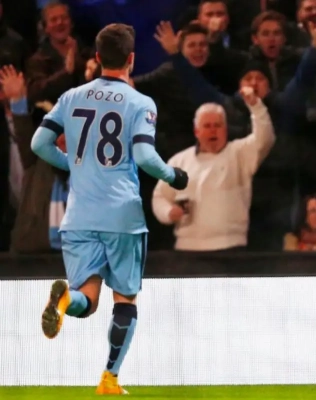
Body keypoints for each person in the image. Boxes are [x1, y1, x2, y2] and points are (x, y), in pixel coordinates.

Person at [30, 23, 188, 395]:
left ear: (98, 57)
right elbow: (145, 156)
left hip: (79, 216)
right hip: (121, 216)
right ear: (131, 59)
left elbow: (39, 144)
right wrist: (173, 175)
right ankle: (109, 379)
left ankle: (66, 300)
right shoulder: (140, 102)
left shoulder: (71, 96)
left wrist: (73, 164)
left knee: (87, 300)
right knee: (125, 299)